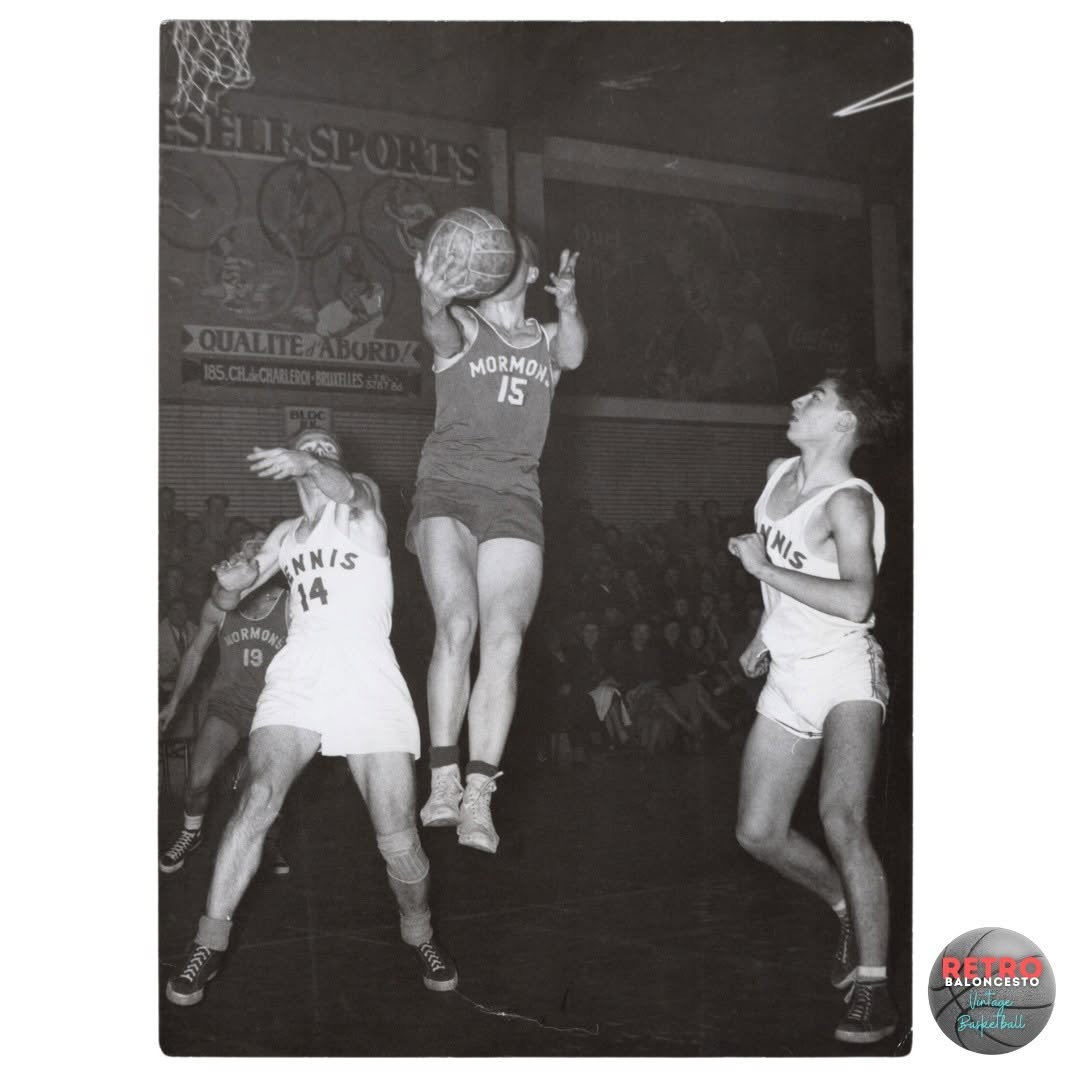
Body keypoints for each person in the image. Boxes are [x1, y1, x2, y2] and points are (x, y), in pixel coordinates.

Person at [166, 429, 456, 1007]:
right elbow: (228, 599)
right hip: (300, 668)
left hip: (366, 671)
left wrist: (306, 458)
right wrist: (227, 587)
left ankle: (419, 933)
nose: (317, 452)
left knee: (397, 838)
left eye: (325, 447)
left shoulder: (360, 503)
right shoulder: (284, 535)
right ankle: (208, 942)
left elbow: (347, 488)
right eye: (308, 445)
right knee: (256, 798)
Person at [727, 372, 900, 1044]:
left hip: (845, 670)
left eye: (816, 399)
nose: (798, 401)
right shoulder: (777, 475)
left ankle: (875, 991)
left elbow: (857, 600)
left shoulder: (849, 502)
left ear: (845, 423)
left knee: (841, 818)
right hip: (790, 671)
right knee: (758, 832)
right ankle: (845, 908)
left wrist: (762, 572)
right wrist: (763, 634)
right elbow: (787, 583)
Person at [406, 230, 587, 854]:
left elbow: (573, 355)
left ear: (529, 272)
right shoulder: (464, 322)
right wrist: (432, 300)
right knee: (458, 625)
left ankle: (480, 793)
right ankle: (444, 777)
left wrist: (568, 303)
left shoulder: (545, 339)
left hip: (515, 495)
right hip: (448, 489)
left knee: (505, 639)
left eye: (509, 256)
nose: (496, 262)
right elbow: (438, 332)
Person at [159, 528, 291, 876]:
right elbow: (194, 653)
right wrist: (174, 702)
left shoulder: (291, 605)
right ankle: (191, 832)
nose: (257, 550)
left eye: (264, 545)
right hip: (228, 706)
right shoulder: (220, 606)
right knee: (196, 781)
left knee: (265, 789)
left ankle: (268, 842)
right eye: (250, 545)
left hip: (272, 708)